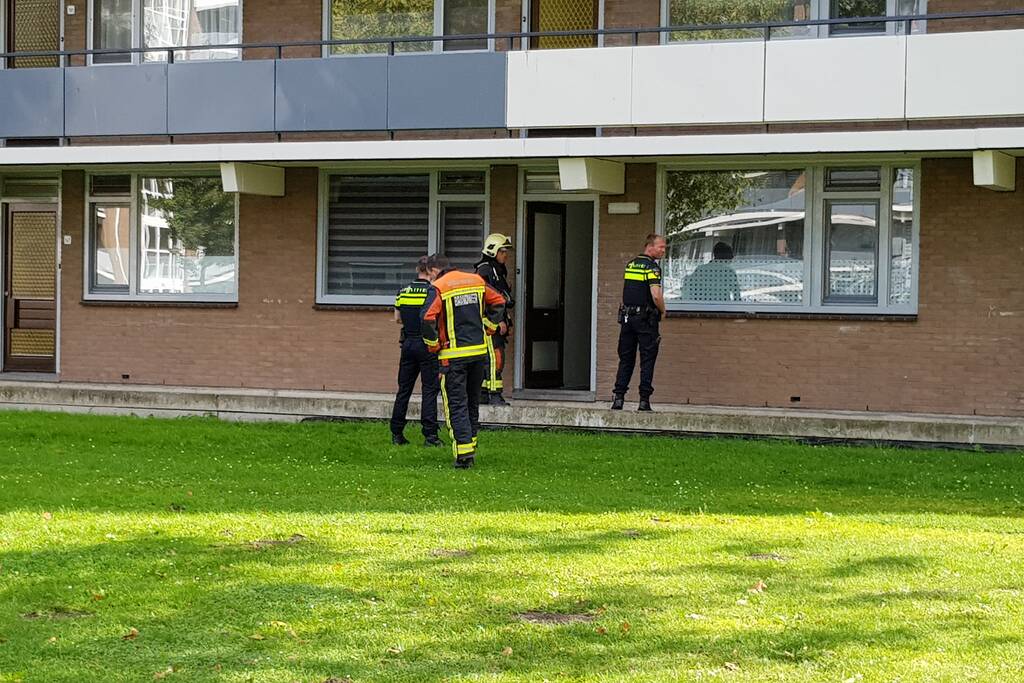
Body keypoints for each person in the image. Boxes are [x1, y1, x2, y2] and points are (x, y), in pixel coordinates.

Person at [421, 254, 506, 469]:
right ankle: (470, 445)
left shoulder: (439, 287)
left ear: (433, 271)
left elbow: (427, 318)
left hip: (453, 357)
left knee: (456, 404)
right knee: (472, 402)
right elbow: (499, 301)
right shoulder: (476, 281)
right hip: (478, 354)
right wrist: (489, 326)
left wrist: (433, 345)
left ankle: (464, 454)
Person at [389, 256, 443, 447]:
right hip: (428, 344)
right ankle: (430, 436)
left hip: (408, 344)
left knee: (404, 389)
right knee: (429, 389)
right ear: (430, 271)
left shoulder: (403, 291)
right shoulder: (432, 292)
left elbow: (397, 319)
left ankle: (396, 433)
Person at [611, 233, 667, 412]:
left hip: (627, 319)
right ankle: (644, 401)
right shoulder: (652, 268)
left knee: (626, 359)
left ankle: (618, 398)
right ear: (650, 246)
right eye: (661, 247)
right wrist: (663, 310)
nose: (663, 251)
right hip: (645, 320)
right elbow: (656, 295)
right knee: (647, 359)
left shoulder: (631, 265)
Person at [474, 233, 515, 407]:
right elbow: (490, 299)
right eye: (503, 251)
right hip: (489, 322)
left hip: (495, 320)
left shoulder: (495, 270)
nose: (505, 255)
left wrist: (506, 318)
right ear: (493, 251)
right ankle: (494, 395)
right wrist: (498, 321)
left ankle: (483, 394)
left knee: (492, 356)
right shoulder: (486, 271)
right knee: (494, 357)